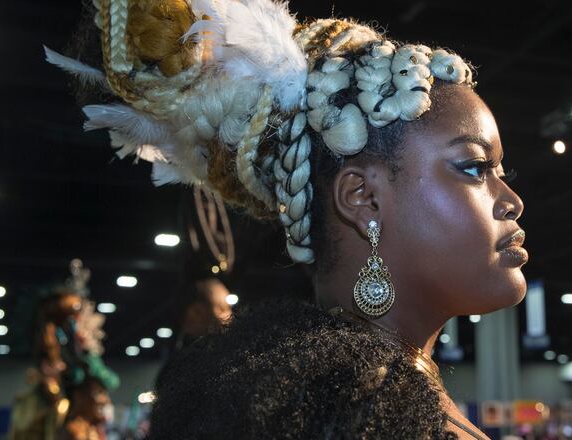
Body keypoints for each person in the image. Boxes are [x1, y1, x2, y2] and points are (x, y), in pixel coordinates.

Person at [48, 0, 527, 437]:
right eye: (474, 167)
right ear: (363, 198)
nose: (510, 199)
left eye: (501, 171)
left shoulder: (362, 402)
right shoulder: (348, 420)